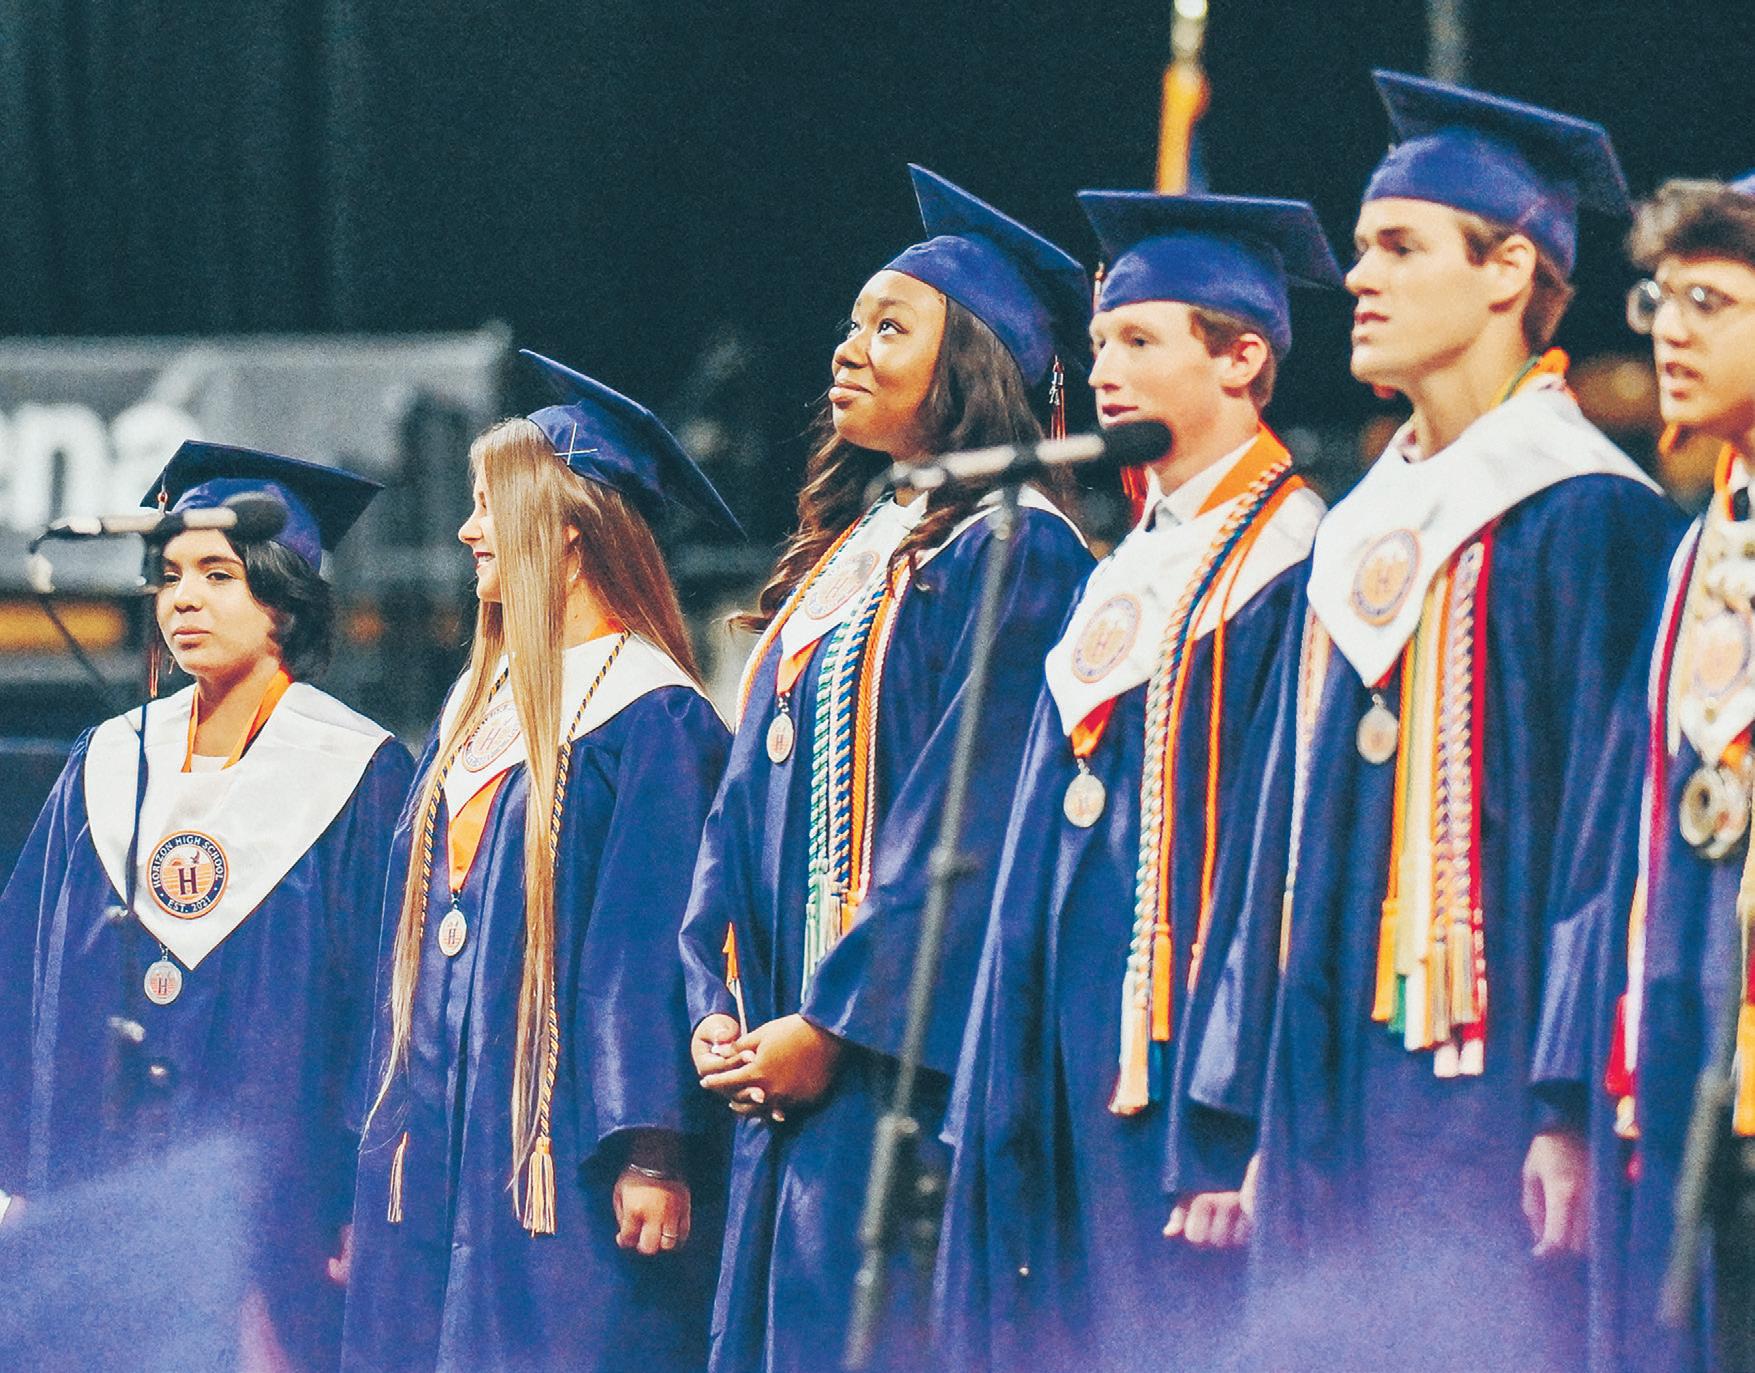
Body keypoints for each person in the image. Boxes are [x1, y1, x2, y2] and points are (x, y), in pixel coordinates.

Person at [1225, 72, 1684, 1371]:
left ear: (1508, 270)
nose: (1356, 278)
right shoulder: (1353, 532)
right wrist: (1264, 1107)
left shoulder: (1589, 515)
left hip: (1494, 1088)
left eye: (1396, 246)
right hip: (1333, 1081)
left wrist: (1566, 1106)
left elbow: (1607, 847)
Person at [678, 164, 1094, 1373]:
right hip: (786, 1062)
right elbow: (740, 812)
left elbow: (969, 821)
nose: (848, 348)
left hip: (902, 1069)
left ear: (972, 366)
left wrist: (835, 1023)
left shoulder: (1019, 552)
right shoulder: (850, 558)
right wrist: (718, 1000)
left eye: (890, 327)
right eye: (852, 323)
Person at [934, 191, 1341, 1373]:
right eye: (1101, 340)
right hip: (1069, 1060)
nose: (1104, 367)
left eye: (1140, 339)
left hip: (1181, 1062)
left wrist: (1239, 1110)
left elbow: (1289, 855)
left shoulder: (1298, 560)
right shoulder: (1128, 566)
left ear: (1242, 357)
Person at [340, 351, 736, 1373]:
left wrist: (653, 1144)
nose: (468, 530)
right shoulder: (475, 708)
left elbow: (648, 946)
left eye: (488, 505)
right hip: (440, 1143)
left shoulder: (651, 715)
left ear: (565, 528)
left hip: (564, 1153)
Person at [0, 441, 413, 1371]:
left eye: (218, 575)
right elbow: (21, 974)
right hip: (97, 1182)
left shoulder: (358, 773)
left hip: (273, 1206)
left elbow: (383, 1010)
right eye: (173, 574)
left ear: (284, 596)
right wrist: (17, 1170)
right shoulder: (107, 762)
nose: (184, 599)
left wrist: (354, 1193)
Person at [1605, 171, 1755, 1372]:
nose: (1671, 330)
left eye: (1712, 301)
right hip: (1703, 1044)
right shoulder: (1697, 547)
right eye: (1662, 298)